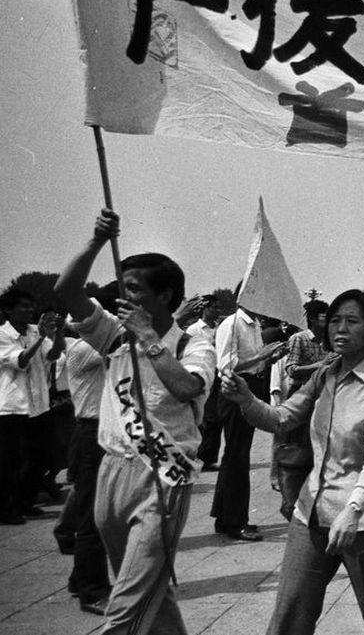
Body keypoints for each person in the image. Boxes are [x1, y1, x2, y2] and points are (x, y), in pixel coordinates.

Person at [55, 208, 217, 635]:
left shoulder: (191, 341)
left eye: (133, 289)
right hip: (111, 470)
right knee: (151, 592)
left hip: (161, 478)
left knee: (125, 605)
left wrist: (147, 337)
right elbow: (66, 289)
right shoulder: (112, 334)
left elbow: (187, 388)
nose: (122, 299)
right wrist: (95, 241)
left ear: (164, 296)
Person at [221, 289, 364, 635]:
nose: (339, 328)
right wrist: (246, 397)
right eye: (335, 320)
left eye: (351, 321)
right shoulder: (324, 375)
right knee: (291, 612)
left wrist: (352, 511)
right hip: (310, 513)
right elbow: (281, 418)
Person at [53, 285, 117, 614]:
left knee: (91, 510)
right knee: (93, 517)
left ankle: (81, 579)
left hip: (99, 431)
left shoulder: (90, 345)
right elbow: (124, 345)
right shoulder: (83, 348)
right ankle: (93, 590)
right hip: (90, 432)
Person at [212, 303, 287, 541]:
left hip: (249, 387)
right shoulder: (231, 324)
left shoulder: (254, 325)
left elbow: (254, 363)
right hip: (233, 389)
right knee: (236, 455)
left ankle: (227, 517)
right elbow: (225, 365)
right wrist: (261, 355)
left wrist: (269, 358)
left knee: (238, 454)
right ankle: (234, 521)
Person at [0, 289, 60, 524]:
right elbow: (21, 361)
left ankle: (26, 501)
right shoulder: (3, 335)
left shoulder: (35, 330)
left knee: (43, 455)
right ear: (8, 310)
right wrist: (43, 338)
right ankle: (6, 508)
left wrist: (57, 333)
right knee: (11, 461)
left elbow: (54, 356)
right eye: (23, 306)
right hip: (12, 406)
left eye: (31, 306)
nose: (29, 310)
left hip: (38, 404)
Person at [274, 299, 330, 521]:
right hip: (301, 396)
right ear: (314, 318)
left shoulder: (329, 341)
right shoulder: (299, 339)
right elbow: (291, 369)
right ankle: (290, 501)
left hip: (323, 397)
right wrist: (319, 367)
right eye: (325, 315)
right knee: (296, 449)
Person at [190, 297, 226, 470]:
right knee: (204, 417)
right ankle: (198, 455)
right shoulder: (194, 330)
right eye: (214, 307)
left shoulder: (220, 329)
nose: (217, 311)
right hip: (200, 375)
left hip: (218, 375)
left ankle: (208, 457)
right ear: (204, 309)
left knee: (216, 418)